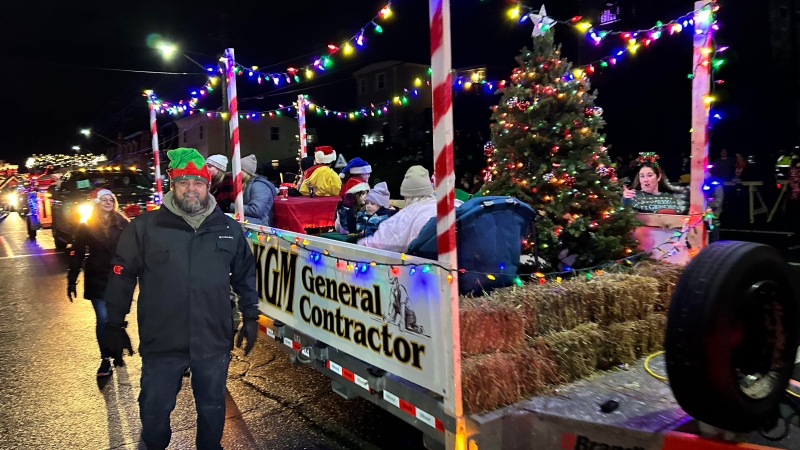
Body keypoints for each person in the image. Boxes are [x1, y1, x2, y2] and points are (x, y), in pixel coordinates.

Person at [102, 148, 262, 450]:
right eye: (184, 182)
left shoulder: (227, 228)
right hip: (162, 340)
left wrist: (250, 315)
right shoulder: (146, 227)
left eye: (198, 183)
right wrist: (113, 323)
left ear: (208, 186)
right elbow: (122, 275)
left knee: (213, 409)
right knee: (154, 411)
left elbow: (244, 274)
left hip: (212, 340)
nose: (191, 189)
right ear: (172, 185)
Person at [67, 188, 130, 377]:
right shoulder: (86, 226)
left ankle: (117, 351)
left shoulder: (122, 223)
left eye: (111, 198)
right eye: (104, 199)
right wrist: (71, 280)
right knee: (103, 319)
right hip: (97, 278)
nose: (108, 201)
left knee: (115, 320)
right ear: (96, 202)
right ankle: (105, 360)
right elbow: (77, 253)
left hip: (119, 278)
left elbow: (135, 249)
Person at [360, 165, 462, 252]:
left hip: (422, 271)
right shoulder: (456, 204)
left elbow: (376, 244)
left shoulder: (407, 215)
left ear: (407, 196)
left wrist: (358, 244)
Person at [622, 154, 687, 214]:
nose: (645, 180)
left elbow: (679, 218)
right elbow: (623, 217)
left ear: (658, 177)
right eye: (642, 176)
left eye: (649, 175)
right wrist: (625, 199)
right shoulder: (633, 196)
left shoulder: (669, 197)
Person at [234, 154, 277, 225]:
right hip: (250, 221)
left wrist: (231, 206)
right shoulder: (246, 183)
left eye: (239, 169)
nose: (236, 172)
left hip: (259, 225)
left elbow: (256, 210)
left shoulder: (259, 185)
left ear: (246, 171)